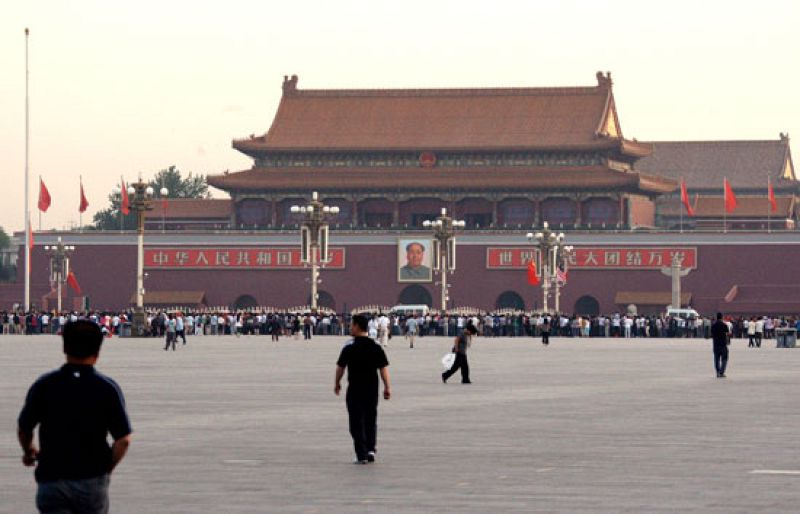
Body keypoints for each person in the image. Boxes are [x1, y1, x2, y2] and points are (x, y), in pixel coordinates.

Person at [17, 320, 132, 514]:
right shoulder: (106, 388)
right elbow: (123, 440)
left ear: (64, 347)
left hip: (52, 479)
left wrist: (29, 452)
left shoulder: (45, 385)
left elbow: (25, 428)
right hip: (91, 481)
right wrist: (107, 468)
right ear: (97, 351)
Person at [334, 314, 391, 464]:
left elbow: (340, 367)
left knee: (356, 422)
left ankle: (362, 454)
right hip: (372, 389)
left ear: (358, 326)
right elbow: (383, 369)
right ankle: (371, 449)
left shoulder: (349, 346)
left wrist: (337, 383)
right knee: (370, 419)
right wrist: (387, 387)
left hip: (355, 389)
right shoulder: (376, 346)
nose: (350, 327)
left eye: (351, 325)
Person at [711, 312, 730, 378]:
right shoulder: (724, 325)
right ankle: (722, 372)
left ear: (716, 317)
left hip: (716, 344)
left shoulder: (713, 325)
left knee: (716, 359)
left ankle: (718, 372)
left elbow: (712, 334)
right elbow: (728, 334)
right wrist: (728, 342)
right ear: (722, 317)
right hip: (723, 344)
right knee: (724, 358)